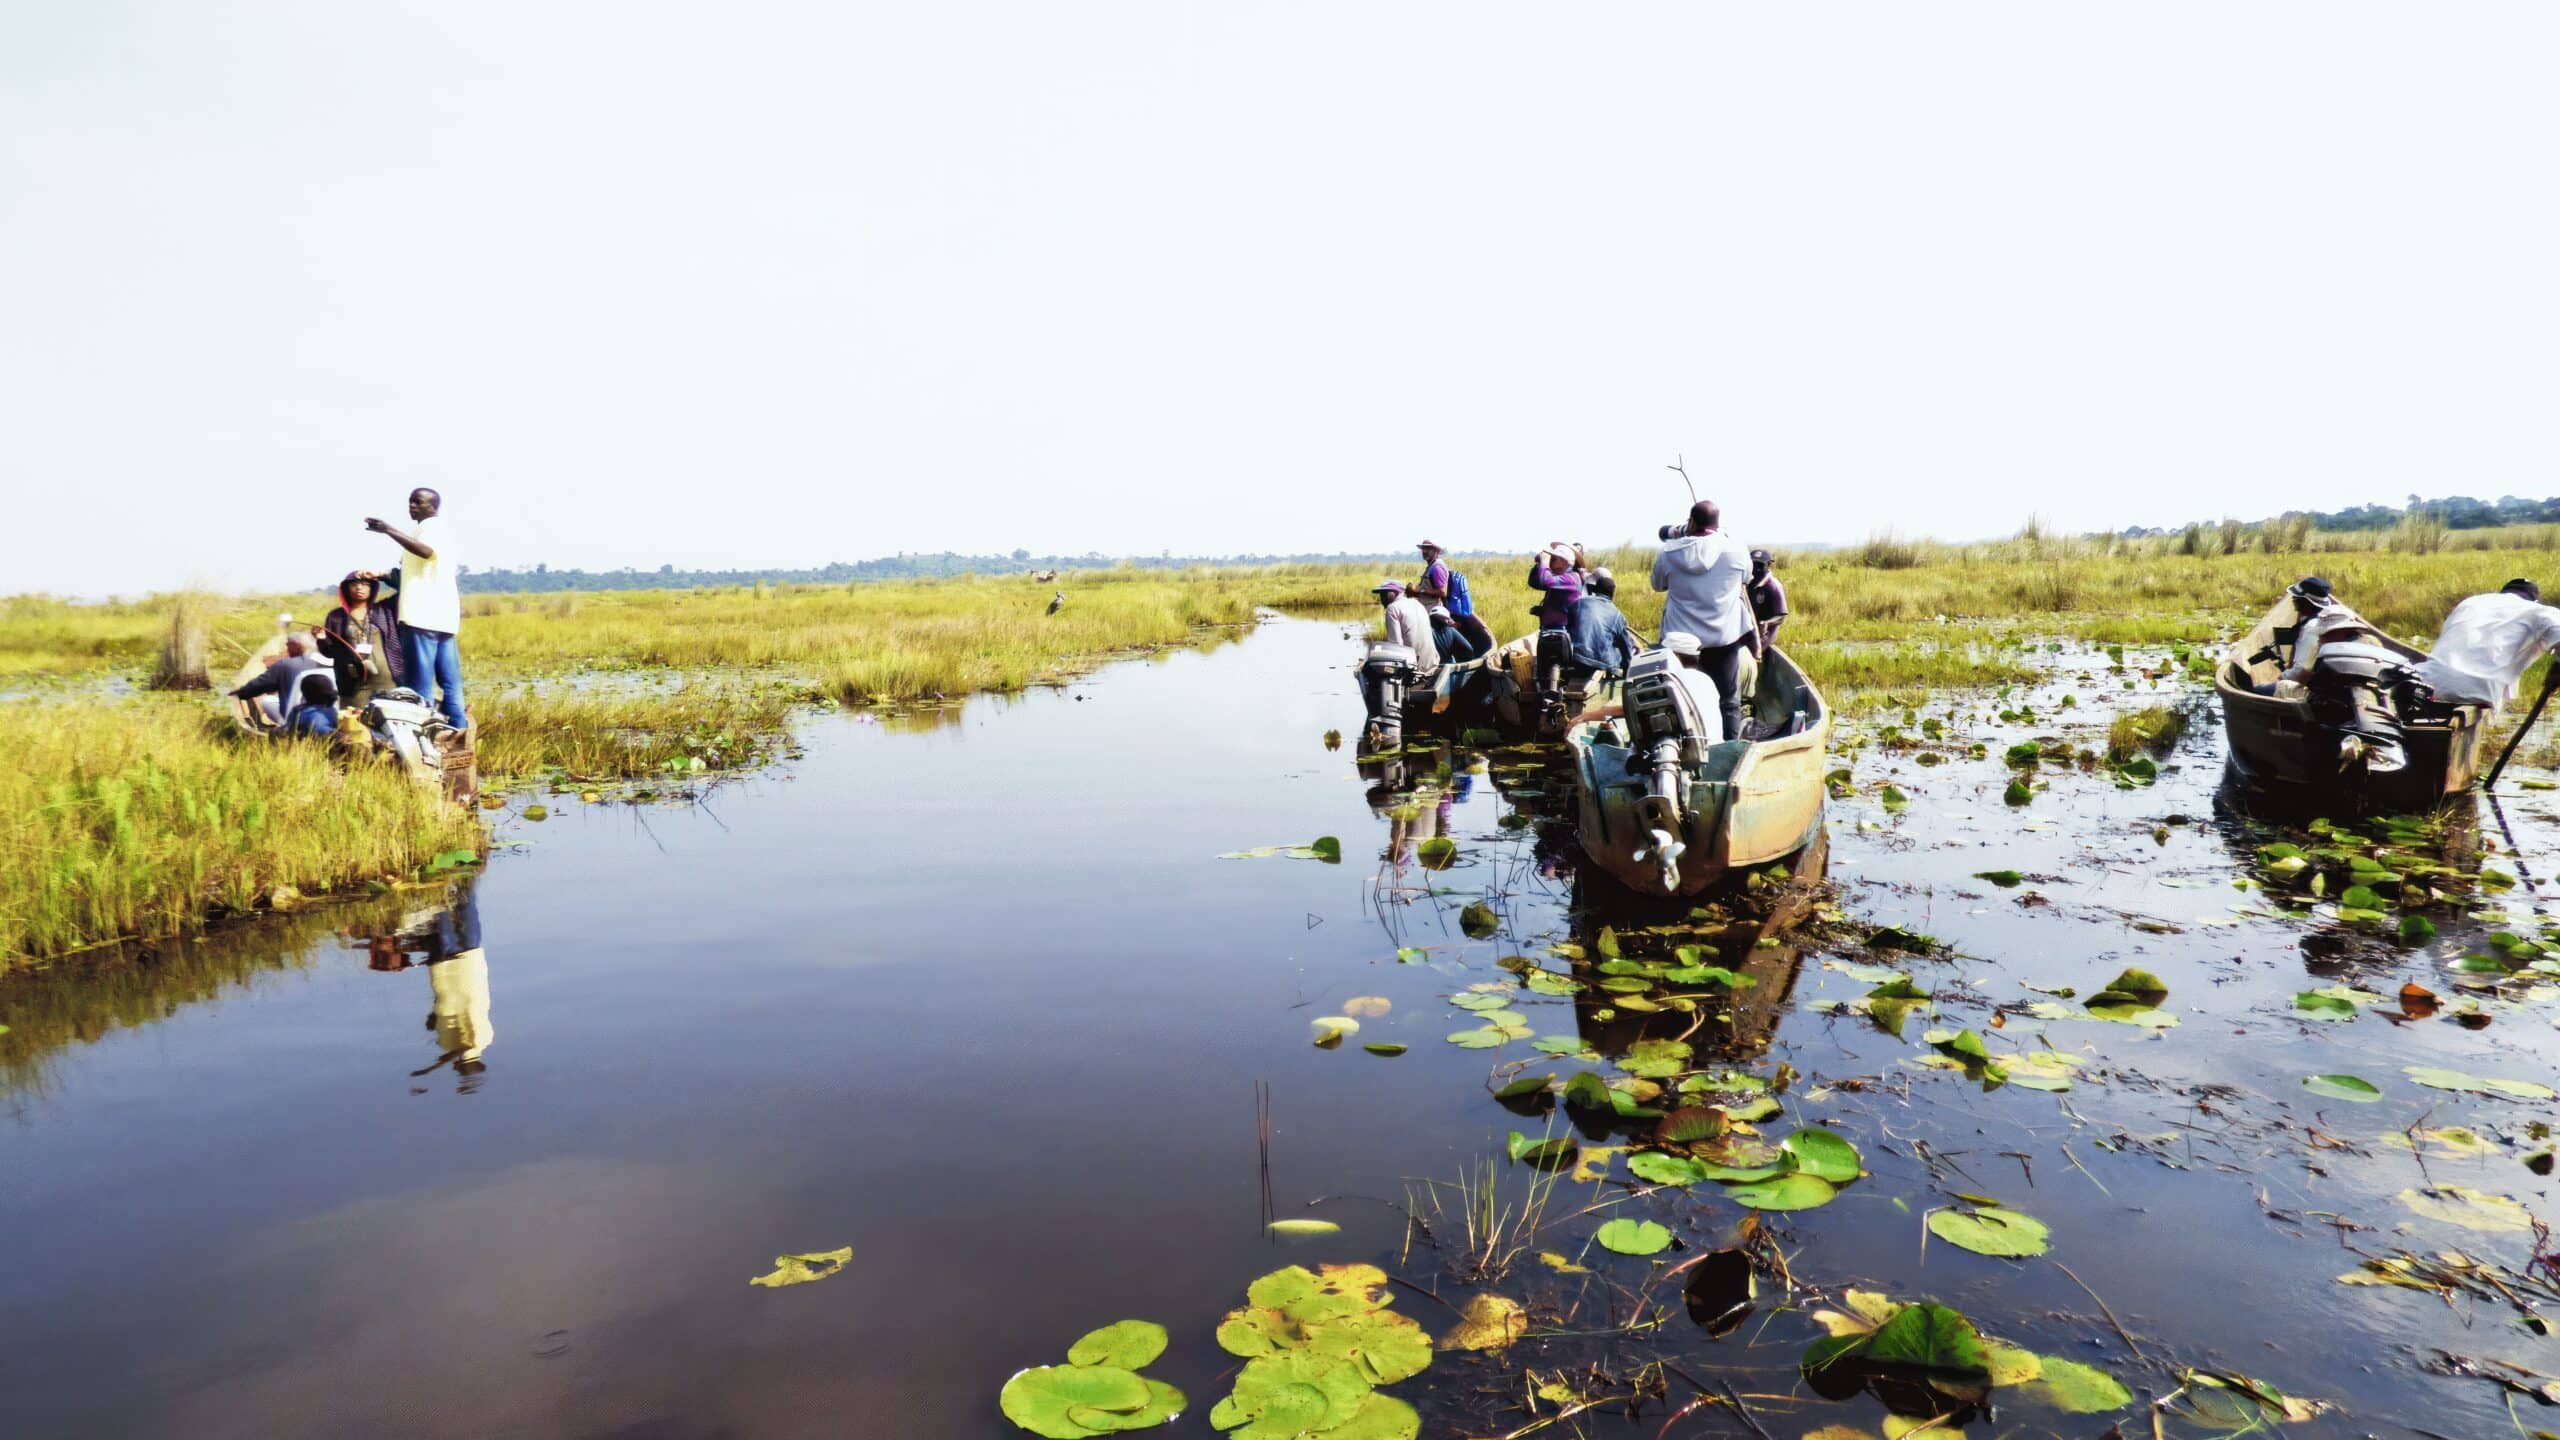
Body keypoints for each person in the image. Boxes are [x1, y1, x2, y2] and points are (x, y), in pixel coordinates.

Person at [361, 487, 466, 732]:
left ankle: (424, 735)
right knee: (451, 683)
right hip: (443, 619)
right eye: (410, 502)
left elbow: (427, 552)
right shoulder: (432, 531)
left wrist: (388, 530)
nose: (412, 506)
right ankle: (459, 732)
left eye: (418, 502)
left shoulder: (431, 529)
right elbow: (414, 574)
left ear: (433, 506)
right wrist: (381, 575)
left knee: (420, 686)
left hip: (422, 617)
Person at [1651, 500, 1755, 740]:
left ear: (1692, 522)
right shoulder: (1736, 550)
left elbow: (1658, 584)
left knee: (1673, 696)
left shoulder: (1670, 552)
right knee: (1728, 701)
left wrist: (1679, 536)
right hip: (1723, 638)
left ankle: (1675, 748)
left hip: (1680, 642)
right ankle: (1729, 749)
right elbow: (1746, 578)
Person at [2414, 579, 2560, 708]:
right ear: (2534, 601)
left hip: (2425, 682)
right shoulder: (2540, 611)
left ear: (2502, 593)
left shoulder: (2470, 602)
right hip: (2480, 691)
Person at [318, 571, 404, 707]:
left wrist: (382, 576)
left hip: (387, 679)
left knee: (387, 719)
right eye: (354, 584)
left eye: (365, 584)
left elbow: (405, 588)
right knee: (354, 723)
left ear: (372, 588)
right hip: (354, 683)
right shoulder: (336, 616)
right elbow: (330, 653)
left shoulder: (384, 610)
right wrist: (321, 639)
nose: (359, 588)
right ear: (346, 588)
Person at [230, 632, 340, 737]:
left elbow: (259, 686)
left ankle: (283, 726)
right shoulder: (328, 661)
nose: (287, 650)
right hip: (331, 713)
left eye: (288, 646)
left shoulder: (285, 665)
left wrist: (240, 693)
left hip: (295, 718)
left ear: (297, 646)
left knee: (266, 700)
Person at [1658, 633, 1728, 746]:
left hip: (1688, 753)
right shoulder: (1705, 679)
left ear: (1674, 656)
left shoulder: (1670, 680)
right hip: (1716, 748)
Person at [1568, 567, 1636, 676]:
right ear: (1612, 594)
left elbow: (1568, 625)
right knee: (1625, 648)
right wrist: (1627, 671)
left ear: (1595, 590)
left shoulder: (1579, 603)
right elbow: (1626, 646)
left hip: (1575, 657)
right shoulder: (1617, 614)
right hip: (1601, 662)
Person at [1527, 543, 1583, 631]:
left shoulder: (1571, 579)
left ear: (1564, 561)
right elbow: (1533, 582)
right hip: (1551, 630)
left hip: (1563, 631)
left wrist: (1544, 562)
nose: (1550, 561)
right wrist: (1538, 564)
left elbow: (1545, 581)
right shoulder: (1559, 578)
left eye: (1553, 559)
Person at [1745, 548, 1788, 656]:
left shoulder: (1773, 586)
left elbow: (1782, 616)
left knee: (1748, 653)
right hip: (1749, 630)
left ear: (1768, 565)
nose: (1756, 569)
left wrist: (1767, 623)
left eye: (1760, 566)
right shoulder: (1748, 582)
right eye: (1753, 565)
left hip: (1765, 634)